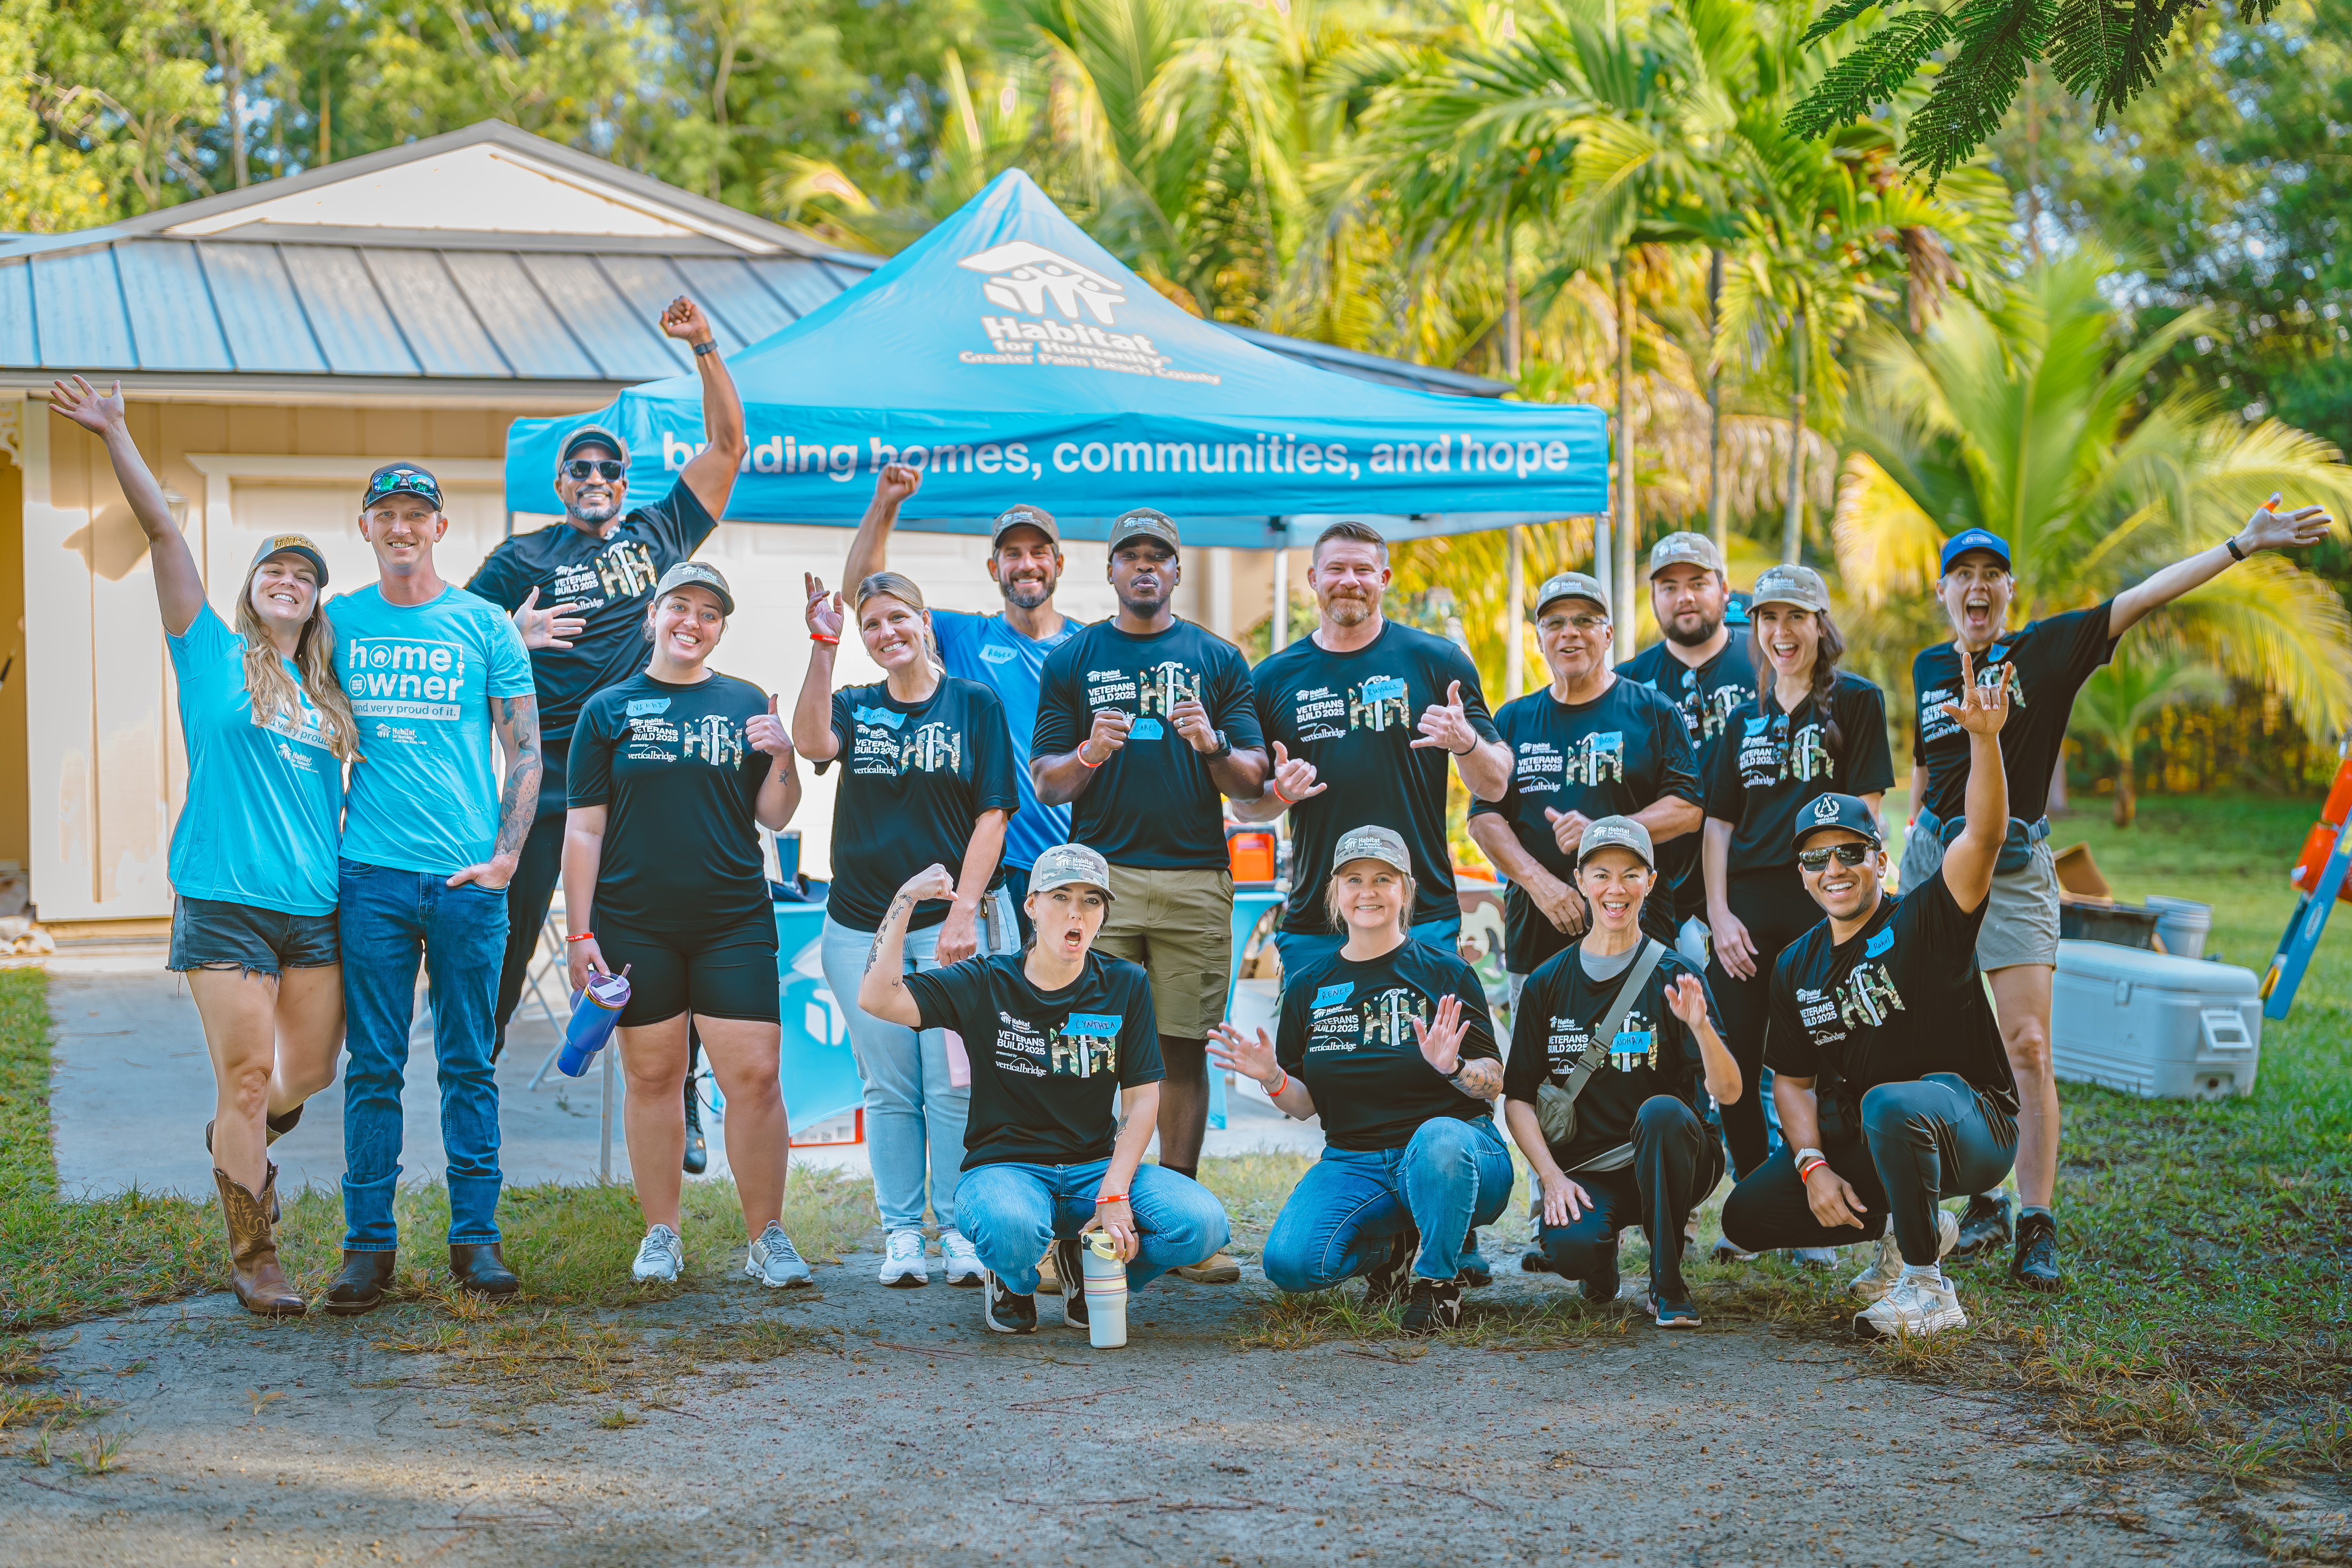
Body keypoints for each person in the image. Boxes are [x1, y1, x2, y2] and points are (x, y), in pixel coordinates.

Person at [1902, 504, 2332, 1290]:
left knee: (2027, 1043)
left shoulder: (2048, 648)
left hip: (2017, 864)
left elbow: (2144, 595)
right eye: (1961, 575)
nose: (1976, 587)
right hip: (1935, 859)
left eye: (1989, 575)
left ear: (2008, 589)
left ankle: (2035, 1220)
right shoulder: (1929, 666)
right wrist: (1910, 840)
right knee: (1940, 1044)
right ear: (1942, 592)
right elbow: (1929, 769)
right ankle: (1982, 1199)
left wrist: (2239, 544)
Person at [48, 377, 356, 1317]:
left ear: (314, 603)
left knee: (307, 1075)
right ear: (253, 586)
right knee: (249, 1073)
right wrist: (115, 434)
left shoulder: (330, 698)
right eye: (276, 569)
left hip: (315, 907)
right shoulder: (211, 652)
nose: (288, 580)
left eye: (304, 576)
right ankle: (256, 1252)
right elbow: (164, 536)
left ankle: (239, 1133)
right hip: (224, 898)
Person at [465, 296, 745, 1169]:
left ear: (627, 484)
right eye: (579, 469)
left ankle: (685, 1099)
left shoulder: (661, 534)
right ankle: (472, 1098)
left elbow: (729, 447)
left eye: (610, 469)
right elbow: (447, 644)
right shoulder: (522, 559)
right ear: (560, 485)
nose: (595, 478)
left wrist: (703, 347)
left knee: (658, 938)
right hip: (542, 779)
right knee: (505, 939)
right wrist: (513, 634)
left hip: (640, 775)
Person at [1719, 652, 2020, 1337]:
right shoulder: (1797, 965)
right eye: (1817, 859)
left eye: (1851, 852)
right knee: (1748, 1213)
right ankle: (1913, 1232)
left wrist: (1983, 739)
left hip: (1974, 1124)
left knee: (1892, 1102)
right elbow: (1791, 1082)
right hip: (1877, 1136)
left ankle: (1927, 1288)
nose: (1835, 869)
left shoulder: (1926, 919)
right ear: (1801, 875)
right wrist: (1813, 1164)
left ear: (1881, 860)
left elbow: (1985, 835)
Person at [324, 462, 541, 1315]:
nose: (403, 527)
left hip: (464, 879)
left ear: (440, 529)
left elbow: (522, 747)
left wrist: (506, 859)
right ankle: (366, 1247)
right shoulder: (337, 621)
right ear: (367, 527)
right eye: (388, 514)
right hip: (370, 872)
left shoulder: (485, 624)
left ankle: (475, 1239)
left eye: (418, 514)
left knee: (466, 1061)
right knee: (373, 1064)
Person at [1032, 510, 1268, 1284]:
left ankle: (1182, 1223)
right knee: (1092, 1051)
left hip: (1196, 878)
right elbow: (1048, 780)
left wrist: (1212, 745)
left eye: (1158, 558)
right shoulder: (1074, 657)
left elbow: (1254, 780)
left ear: (1175, 572)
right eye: (1130, 556)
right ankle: (1091, 1213)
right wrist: (1091, 753)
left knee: (1180, 1051)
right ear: (1108, 572)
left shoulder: (1218, 657)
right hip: (1097, 884)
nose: (1144, 568)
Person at [859, 844, 1230, 1333]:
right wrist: (905, 899)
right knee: (1009, 1229)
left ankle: (1095, 1269)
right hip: (1005, 1170)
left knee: (1202, 1223)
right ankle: (1013, 1282)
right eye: (1061, 897)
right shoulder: (987, 981)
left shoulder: (1125, 983)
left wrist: (1114, 1192)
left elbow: (1143, 1099)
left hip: (1093, 1171)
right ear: (1031, 906)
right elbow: (876, 998)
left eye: (1092, 901)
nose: (1076, 912)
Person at [562, 561, 811, 1288]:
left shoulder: (742, 700)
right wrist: (582, 933)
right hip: (636, 925)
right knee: (654, 1077)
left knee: (756, 1078)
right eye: (680, 606)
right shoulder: (608, 709)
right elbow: (583, 831)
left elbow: (774, 814)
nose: (692, 622)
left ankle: (767, 1236)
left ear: (720, 627)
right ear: (654, 616)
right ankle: (661, 1233)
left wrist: (782, 755)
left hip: (732, 917)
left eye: (708, 612)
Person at [796, 569, 1020, 1289]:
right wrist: (823, 645)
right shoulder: (856, 707)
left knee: (954, 1086)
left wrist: (964, 914)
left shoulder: (975, 705)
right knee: (889, 1088)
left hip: (949, 932)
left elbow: (994, 815)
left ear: (926, 622)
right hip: (862, 931)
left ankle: (956, 1229)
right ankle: (901, 1235)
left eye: (899, 618)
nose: (887, 633)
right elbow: (810, 741)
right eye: (872, 625)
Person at [1209, 827, 1511, 1335]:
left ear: (1405, 891)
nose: (1367, 891)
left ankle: (1437, 1284)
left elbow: (1495, 1080)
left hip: (1459, 1158)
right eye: (1354, 879)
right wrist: (1273, 1077)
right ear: (1335, 892)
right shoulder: (1309, 985)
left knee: (1437, 1138)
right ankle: (1393, 1250)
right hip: (1357, 1162)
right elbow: (1305, 1107)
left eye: (1382, 879)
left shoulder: (1447, 973)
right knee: (1291, 1263)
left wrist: (1454, 1069)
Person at [1236, 519, 1509, 971]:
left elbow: (1496, 781)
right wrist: (1281, 793)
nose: (1349, 581)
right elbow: (1247, 808)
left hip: (1420, 917)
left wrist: (1465, 743)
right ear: (1313, 579)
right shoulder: (1272, 678)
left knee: (1425, 1044)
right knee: (1313, 1045)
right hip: (1316, 924)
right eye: (1336, 569)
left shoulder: (1437, 662)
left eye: (1363, 570)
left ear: (1383, 579)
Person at [1502, 817, 1742, 1329]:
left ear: (1650, 883)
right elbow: (1518, 1097)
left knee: (1659, 1113)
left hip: (1674, 1159)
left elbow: (1730, 1090)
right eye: (1602, 874)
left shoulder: (1676, 974)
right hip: (1589, 1171)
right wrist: (1552, 1180)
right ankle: (1600, 1257)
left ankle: (1667, 1281)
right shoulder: (1547, 982)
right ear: (1581, 881)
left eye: (1632, 875)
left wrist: (1701, 1030)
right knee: (1570, 1252)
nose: (1617, 889)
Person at [1701, 565, 1892, 1191]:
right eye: (1768, 618)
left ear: (1819, 624)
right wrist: (1720, 915)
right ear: (1753, 628)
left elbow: (1866, 811)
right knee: (1734, 1052)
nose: (1781, 633)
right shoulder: (1742, 719)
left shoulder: (1857, 701)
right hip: (1748, 910)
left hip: (1824, 900)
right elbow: (1719, 825)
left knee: (1829, 1051)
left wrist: (1848, 908)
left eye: (1795, 618)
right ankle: (1758, 1186)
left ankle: (1830, 1182)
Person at [839, 468, 1076, 942]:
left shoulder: (1086, 647)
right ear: (994, 569)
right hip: (994, 871)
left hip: (1068, 865)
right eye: (1012, 554)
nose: (1026, 564)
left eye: (1038, 552)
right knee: (1002, 1011)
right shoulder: (966, 635)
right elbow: (866, 591)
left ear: (1058, 563)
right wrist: (885, 505)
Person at [1467, 572, 1703, 1001]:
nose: (1569, 633)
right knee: (1539, 1066)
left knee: (1642, 1060)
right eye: (1554, 624)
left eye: (1584, 621)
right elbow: (1484, 817)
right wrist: (1541, 884)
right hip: (1537, 932)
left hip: (1637, 933)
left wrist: (1605, 829)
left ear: (1608, 634)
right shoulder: (1512, 719)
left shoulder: (1652, 711)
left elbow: (1688, 809)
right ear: (1539, 639)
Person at [1617, 532, 1757, 963]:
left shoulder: (1763, 663)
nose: (1685, 598)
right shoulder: (1627, 683)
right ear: (1654, 597)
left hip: (1751, 878)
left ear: (1724, 590)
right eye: (1669, 587)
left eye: (1698, 583)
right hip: (1657, 889)